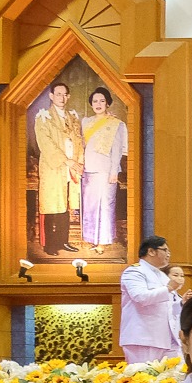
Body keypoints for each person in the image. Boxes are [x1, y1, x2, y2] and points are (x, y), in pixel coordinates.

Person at [34, 82, 83, 255]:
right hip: (53, 168)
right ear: (51, 96)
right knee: (51, 206)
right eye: (58, 94)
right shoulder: (44, 117)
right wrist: (66, 161)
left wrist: (78, 162)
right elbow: (46, 144)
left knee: (66, 206)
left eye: (64, 94)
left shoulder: (72, 117)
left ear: (68, 97)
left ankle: (63, 241)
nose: (61, 98)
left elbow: (79, 141)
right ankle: (50, 245)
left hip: (70, 170)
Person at [120, 236, 181, 364]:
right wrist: (168, 288)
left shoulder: (162, 276)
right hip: (143, 338)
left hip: (167, 338)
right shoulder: (134, 272)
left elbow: (170, 306)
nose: (168, 254)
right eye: (165, 250)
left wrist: (183, 303)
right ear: (151, 251)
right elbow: (141, 297)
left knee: (172, 375)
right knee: (144, 375)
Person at [80, 87, 127, 252]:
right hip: (88, 169)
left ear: (107, 103)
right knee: (90, 206)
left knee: (105, 206)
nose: (98, 104)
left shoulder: (116, 124)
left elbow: (117, 150)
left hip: (106, 171)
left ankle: (103, 242)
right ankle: (91, 239)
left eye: (102, 101)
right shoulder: (86, 122)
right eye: (95, 101)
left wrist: (114, 171)